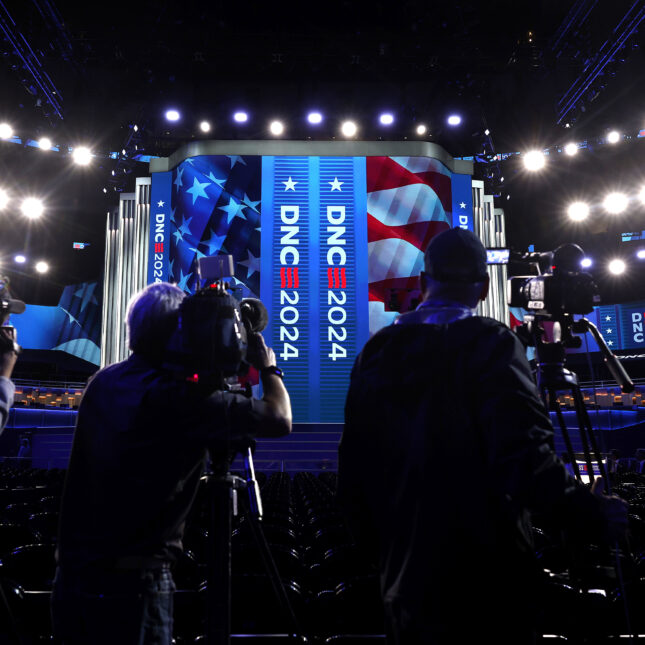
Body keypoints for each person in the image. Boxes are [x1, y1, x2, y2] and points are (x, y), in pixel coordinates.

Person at [337, 227, 628, 644]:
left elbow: (353, 478)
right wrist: (594, 515)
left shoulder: (376, 352)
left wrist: (388, 561)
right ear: (483, 287)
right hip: (492, 590)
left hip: (407, 590)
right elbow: (527, 462)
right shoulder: (494, 344)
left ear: (423, 284)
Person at [52, 282, 291, 645]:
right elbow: (279, 418)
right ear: (180, 331)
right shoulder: (178, 396)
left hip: (72, 581)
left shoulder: (104, 381)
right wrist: (268, 367)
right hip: (134, 588)